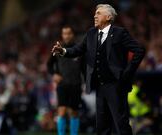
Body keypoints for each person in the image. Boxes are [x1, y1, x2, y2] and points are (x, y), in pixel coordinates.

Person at [52, 4, 145, 135]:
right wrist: (63, 50)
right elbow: (78, 49)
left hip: (116, 85)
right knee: (101, 125)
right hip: (99, 86)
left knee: (120, 123)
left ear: (108, 17)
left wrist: (127, 73)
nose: (95, 16)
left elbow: (139, 50)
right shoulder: (91, 33)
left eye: (98, 13)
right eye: (95, 13)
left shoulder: (120, 33)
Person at [47, 26, 84, 135]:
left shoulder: (79, 49)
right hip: (62, 85)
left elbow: (85, 67)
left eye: (69, 33)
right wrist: (54, 74)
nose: (67, 36)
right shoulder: (58, 49)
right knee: (62, 112)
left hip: (76, 84)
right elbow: (49, 65)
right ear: (62, 35)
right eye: (64, 33)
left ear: (73, 35)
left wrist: (87, 81)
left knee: (74, 112)